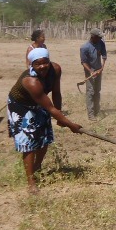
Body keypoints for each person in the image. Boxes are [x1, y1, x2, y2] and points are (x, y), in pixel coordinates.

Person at [8, 48, 82, 193]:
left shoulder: (56, 69)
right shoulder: (31, 81)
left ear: (49, 61)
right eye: (37, 64)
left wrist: (60, 117)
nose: (42, 67)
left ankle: (36, 168)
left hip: (40, 103)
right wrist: (70, 125)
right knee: (29, 142)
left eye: (45, 62)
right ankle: (31, 181)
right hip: (21, 106)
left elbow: (56, 93)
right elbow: (49, 108)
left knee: (44, 138)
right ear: (31, 65)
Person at [80, 28, 108, 121]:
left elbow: (104, 56)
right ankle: (91, 114)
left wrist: (101, 68)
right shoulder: (85, 48)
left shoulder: (101, 43)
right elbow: (84, 62)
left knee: (97, 91)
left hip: (99, 70)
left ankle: (97, 110)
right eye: (98, 37)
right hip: (90, 72)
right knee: (90, 92)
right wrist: (91, 71)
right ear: (93, 37)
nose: (100, 39)